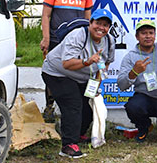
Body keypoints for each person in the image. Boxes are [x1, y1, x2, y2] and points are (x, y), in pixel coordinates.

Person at [41, 8, 115, 159]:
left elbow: (105, 64)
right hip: (56, 72)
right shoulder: (78, 35)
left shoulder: (109, 41)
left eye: (105, 25)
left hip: (82, 76)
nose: (101, 28)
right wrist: (87, 61)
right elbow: (67, 64)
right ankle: (68, 145)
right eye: (98, 23)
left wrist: (96, 84)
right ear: (90, 23)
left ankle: (78, 134)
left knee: (87, 106)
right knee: (73, 103)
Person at [40, 0, 93, 122]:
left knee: (75, 73)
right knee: (52, 73)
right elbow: (46, 15)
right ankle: (49, 106)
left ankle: (70, 110)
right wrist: (46, 38)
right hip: (57, 39)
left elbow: (88, 20)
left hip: (77, 42)